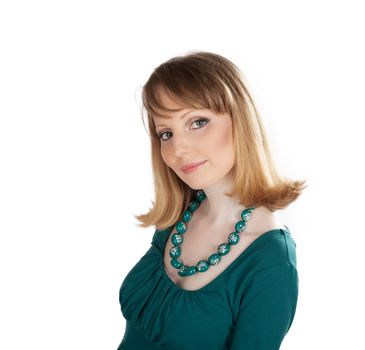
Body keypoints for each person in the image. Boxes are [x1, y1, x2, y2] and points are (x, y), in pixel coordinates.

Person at [117, 51, 307, 349]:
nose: (178, 148)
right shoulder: (176, 219)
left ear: (240, 120)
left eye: (197, 122)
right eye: (166, 133)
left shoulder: (271, 261)